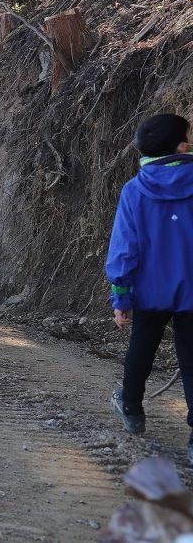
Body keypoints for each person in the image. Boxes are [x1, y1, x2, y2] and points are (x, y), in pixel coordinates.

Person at [107, 113, 193, 461]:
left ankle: (132, 409)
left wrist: (122, 294)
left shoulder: (134, 191)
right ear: (183, 147)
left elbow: (125, 248)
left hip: (149, 291)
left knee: (141, 350)